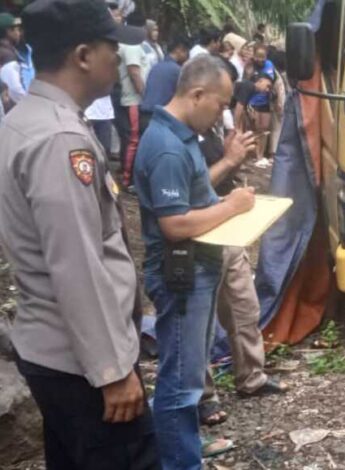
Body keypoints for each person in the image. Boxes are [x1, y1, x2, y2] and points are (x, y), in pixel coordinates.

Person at [0, 1, 159, 468]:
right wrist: (112, 371)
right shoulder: (59, 140)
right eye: (114, 49)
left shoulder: (25, 121)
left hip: (57, 353)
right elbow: (77, 265)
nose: (119, 61)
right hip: (84, 367)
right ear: (84, 55)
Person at [134, 54, 256, 468]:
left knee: (189, 370)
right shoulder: (167, 147)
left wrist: (223, 200)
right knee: (180, 383)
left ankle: (181, 451)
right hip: (181, 274)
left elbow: (194, 199)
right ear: (197, 93)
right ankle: (180, 462)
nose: (222, 113)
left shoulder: (181, 135)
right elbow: (176, 224)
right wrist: (234, 207)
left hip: (197, 267)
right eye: (220, 105)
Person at [196, 118, 288, 426]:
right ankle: (203, 396)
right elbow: (190, 191)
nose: (224, 109)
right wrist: (228, 160)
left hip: (230, 227)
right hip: (201, 233)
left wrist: (236, 162)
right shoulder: (174, 141)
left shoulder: (209, 128)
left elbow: (220, 175)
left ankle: (252, 377)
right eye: (220, 103)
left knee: (244, 307)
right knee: (202, 322)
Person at [116, 12, 150, 188]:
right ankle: (128, 179)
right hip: (133, 100)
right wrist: (145, 95)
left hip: (134, 100)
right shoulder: (132, 46)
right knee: (133, 139)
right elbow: (134, 72)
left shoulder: (130, 44)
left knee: (133, 138)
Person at [140, 36, 189, 117]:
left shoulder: (156, 67)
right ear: (179, 49)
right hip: (158, 117)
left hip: (144, 114)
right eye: (186, 52)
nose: (187, 56)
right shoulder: (177, 71)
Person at [0, 16, 35, 107]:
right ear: (8, 32)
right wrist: (31, 106)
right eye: (17, 30)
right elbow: (15, 89)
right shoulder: (7, 55)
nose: (19, 33)